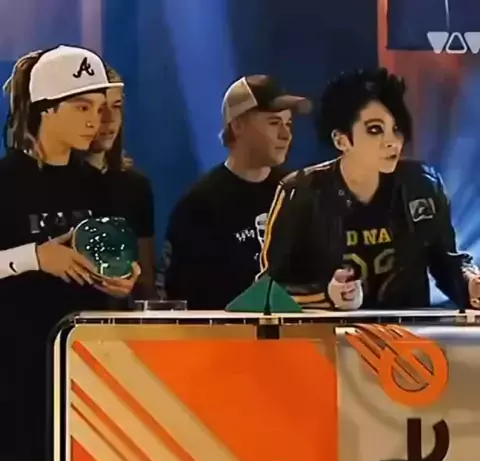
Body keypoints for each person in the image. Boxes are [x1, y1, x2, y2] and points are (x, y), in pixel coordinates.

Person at [0, 45, 140, 461]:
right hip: (14, 380)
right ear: (46, 110)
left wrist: (123, 277)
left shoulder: (101, 186)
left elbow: (117, 261)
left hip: (85, 378)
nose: (95, 120)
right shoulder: (5, 183)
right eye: (82, 107)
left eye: (99, 108)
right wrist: (35, 257)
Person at [259, 68, 480, 310]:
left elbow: (446, 263)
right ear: (342, 140)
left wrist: (470, 284)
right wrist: (326, 295)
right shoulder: (301, 191)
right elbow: (266, 290)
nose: (392, 141)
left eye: (396, 129)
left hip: (407, 330)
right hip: (327, 331)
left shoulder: (422, 185)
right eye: (375, 129)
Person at [157, 75, 311, 309]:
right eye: (273, 123)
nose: (286, 135)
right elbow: (179, 295)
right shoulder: (199, 206)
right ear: (237, 126)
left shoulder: (298, 194)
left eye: (288, 123)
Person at [83, 65, 156, 299]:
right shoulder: (50, 183)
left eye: (116, 107)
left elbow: (145, 279)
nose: (110, 120)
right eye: (99, 109)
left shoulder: (135, 186)